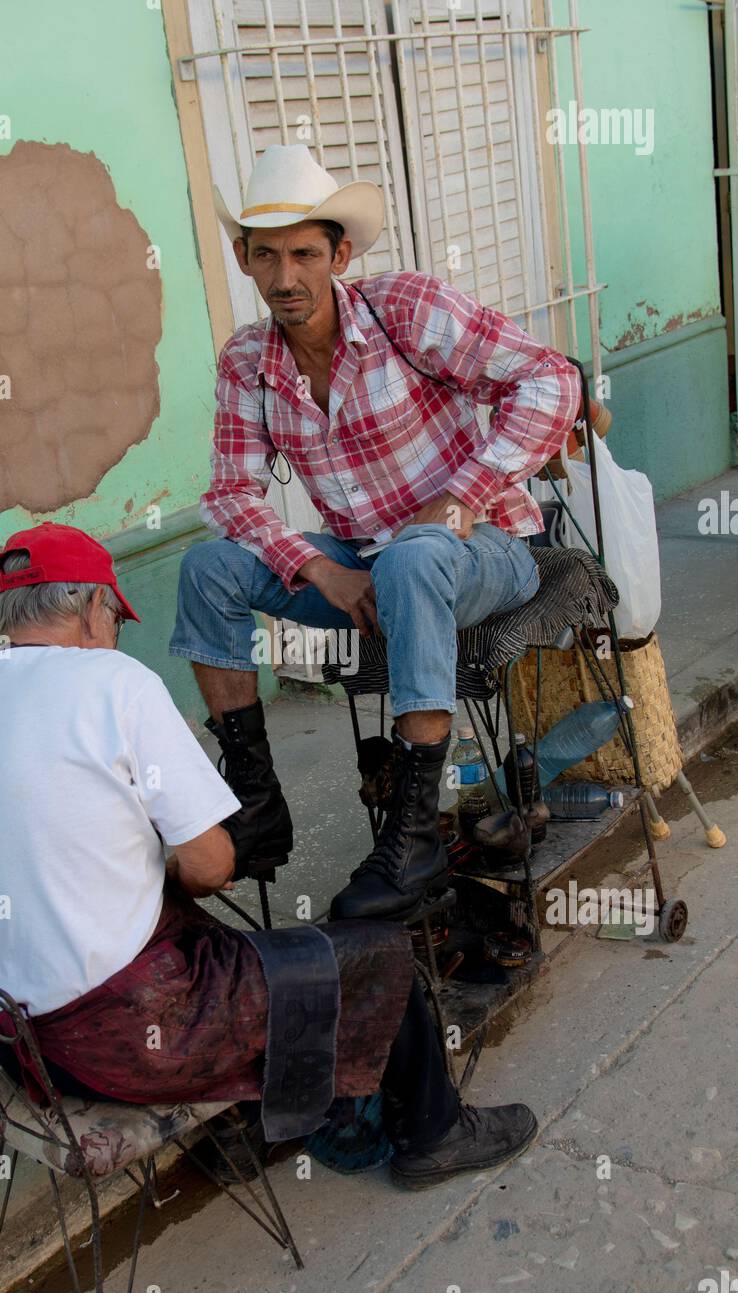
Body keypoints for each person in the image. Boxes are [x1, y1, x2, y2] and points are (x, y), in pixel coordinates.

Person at [0, 522, 537, 1189]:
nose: (113, 630)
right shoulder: (113, 684)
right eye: (115, 616)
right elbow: (209, 865)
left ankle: (285, 1116)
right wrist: (197, 860)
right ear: (93, 608)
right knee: (373, 953)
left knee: (242, 951)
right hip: (134, 1040)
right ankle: (434, 1134)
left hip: (14, 1047)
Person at [169, 144, 581, 919]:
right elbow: (230, 493)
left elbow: (551, 378)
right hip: (363, 568)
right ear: (242, 259)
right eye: (266, 257)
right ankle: (256, 803)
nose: (285, 278)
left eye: (303, 254)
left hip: (487, 550)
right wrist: (317, 568)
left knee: (418, 551)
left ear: (340, 254)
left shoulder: (406, 310)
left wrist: (462, 498)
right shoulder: (246, 362)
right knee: (209, 567)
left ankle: (416, 834)